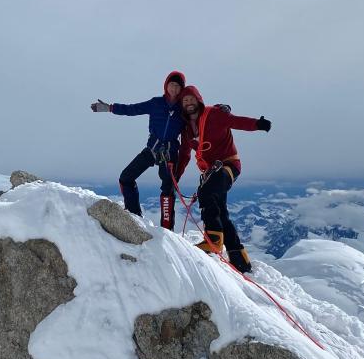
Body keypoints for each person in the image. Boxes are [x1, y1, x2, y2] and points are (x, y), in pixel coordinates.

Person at [173, 85, 271, 273]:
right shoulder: (186, 132)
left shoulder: (214, 114)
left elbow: (235, 122)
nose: (189, 103)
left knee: (206, 192)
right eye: (185, 101)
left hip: (228, 165)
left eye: (191, 99)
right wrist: (176, 176)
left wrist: (258, 124)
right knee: (220, 212)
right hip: (211, 172)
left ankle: (214, 240)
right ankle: (240, 259)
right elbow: (184, 155)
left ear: (198, 100)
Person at [90, 71, 186, 229]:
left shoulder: (183, 108)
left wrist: (219, 110)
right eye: (172, 84)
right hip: (152, 149)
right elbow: (132, 109)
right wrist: (109, 108)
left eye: (178, 86)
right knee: (126, 177)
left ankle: (167, 232)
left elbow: (199, 114)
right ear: (166, 85)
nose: (174, 89)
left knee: (168, 191)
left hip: (169, 154)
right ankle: (135, 218)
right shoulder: (156, 103)